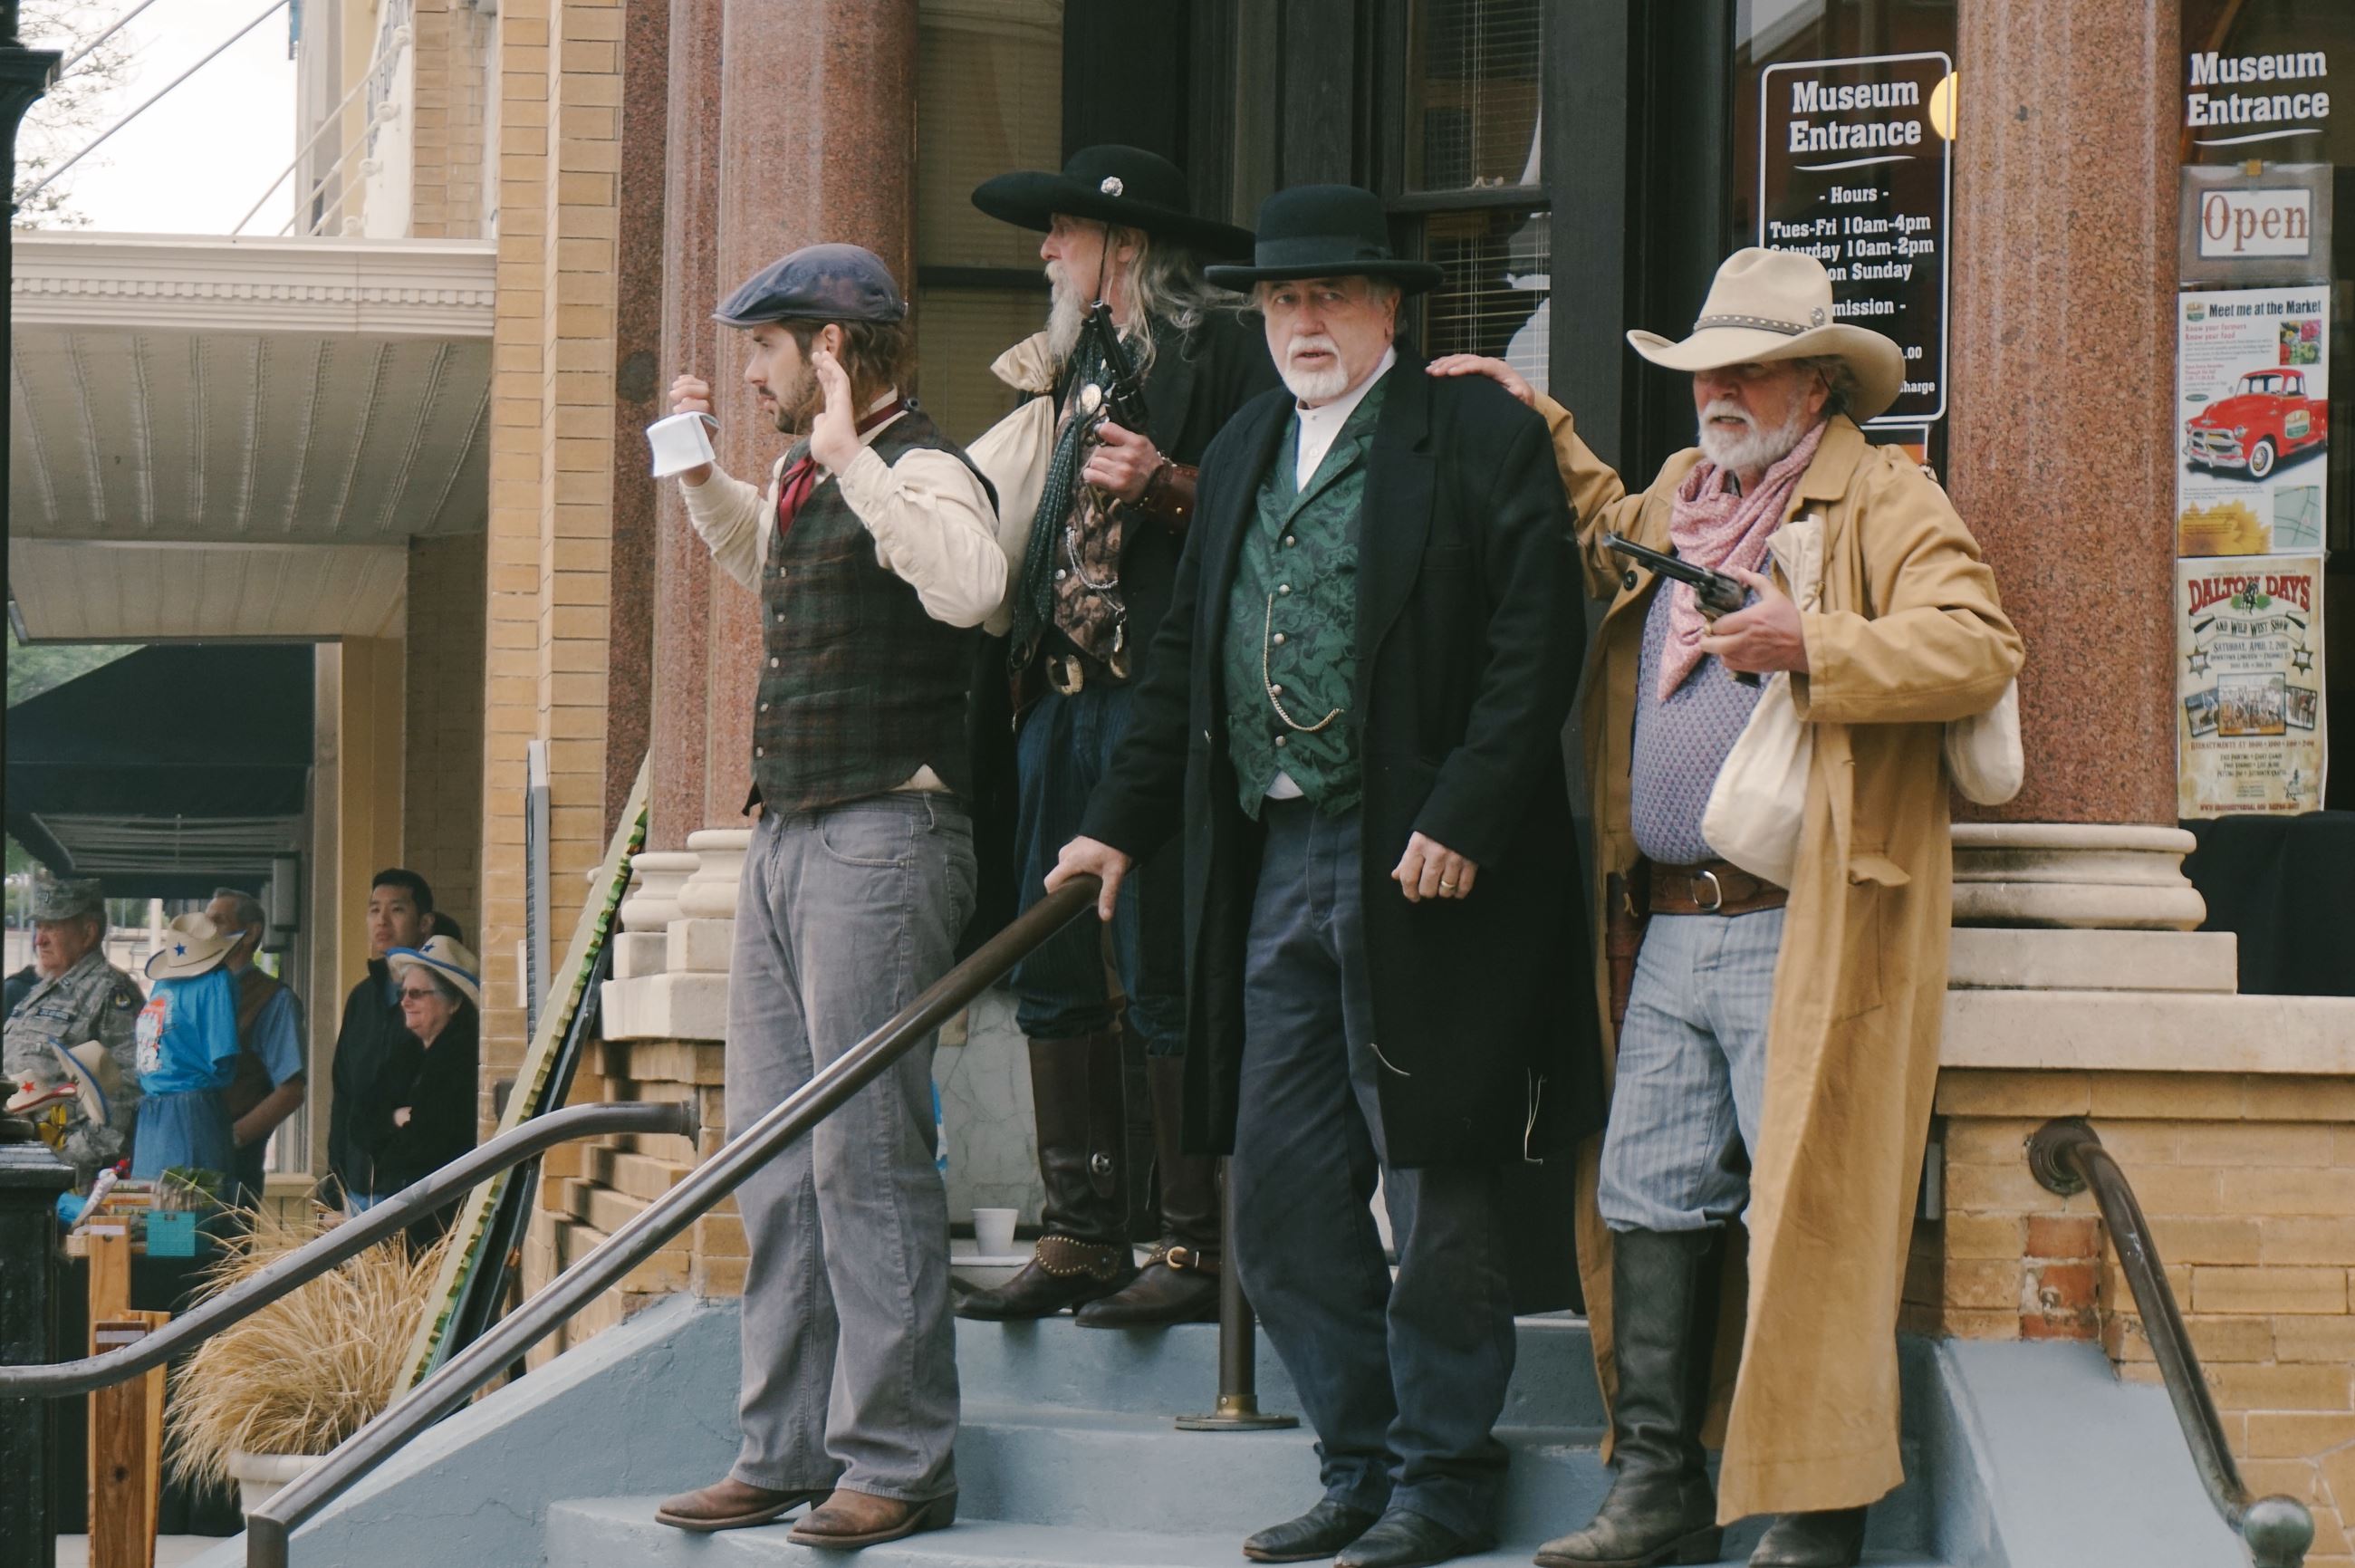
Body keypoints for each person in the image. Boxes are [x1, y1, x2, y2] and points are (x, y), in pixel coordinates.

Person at [1433, 246, 2023, 1568]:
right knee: (1645, 1191)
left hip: (1798, 917)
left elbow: (1979, 642)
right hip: (1665, 925)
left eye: (1750, 368)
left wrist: (1811, 642)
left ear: (1815, 382)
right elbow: (1609, 530)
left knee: (1804, 1206)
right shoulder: (1688, 494)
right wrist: (1542, 420)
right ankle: (1656, 1488)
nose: (1722, 390)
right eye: (1708, 369)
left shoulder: (1880, 493)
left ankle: (1818, 1508)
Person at [1047, 184, 1600, 1568]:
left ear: (1389, 309)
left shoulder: (1477, 431)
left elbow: (1537, 639)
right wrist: (1115, 822)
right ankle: (1356, 1461)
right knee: (1281, 1201)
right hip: (1276, 858)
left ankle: (1442, 1478)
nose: (1304, 321)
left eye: (1332, 296)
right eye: (1285, 300)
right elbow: (1182, 662)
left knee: (1438, 1190)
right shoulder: (1237, 448)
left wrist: (1467, 808)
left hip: (1426, 866)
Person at [653, 243, 1004, 1548]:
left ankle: (901, 1459)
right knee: (775, 1153)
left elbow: (974, 589)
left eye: (767, 349)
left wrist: (854, 456)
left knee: (862, 1151)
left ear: (834, 350)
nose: (751, 372)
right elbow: (779, 566)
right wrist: (700, 478)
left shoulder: (918, 466)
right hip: (794, 835)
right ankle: (784, 1447)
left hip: (890, 829)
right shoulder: (811, 477)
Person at [956, 145, 1279, 1327]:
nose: (1044, 250)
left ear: (1124, 246)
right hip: (1057, 699)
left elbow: (1266, 516)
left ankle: (1193, 1247)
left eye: (1062, 234)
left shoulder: (1229, 353)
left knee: (1160, 968)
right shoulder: (1073, 365)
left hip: (1157, 703)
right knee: (1051, 967)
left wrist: (1165, 482)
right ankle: (1080, 1232)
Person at [2, 876, 144, 1186]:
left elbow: (127, 1089)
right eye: (39, 927)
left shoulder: (112, 992)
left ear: (88, 933)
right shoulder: (46, 988)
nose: (39, 940)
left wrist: (69, 1158)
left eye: (51, 928)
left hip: (67, 1176)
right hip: (26, 1162)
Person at [352, 936, 481, 1246]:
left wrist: (386, 1129)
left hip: (440, 1222)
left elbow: (428, 1144)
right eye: (403, 993)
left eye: (417, 994)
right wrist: (396, 1119)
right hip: (402, 1212)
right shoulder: (406, 1054)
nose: (405, 1002)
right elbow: (358, 1122)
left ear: (453, 1002)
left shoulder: (462, 1060)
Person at [326, 870, 432, 1213]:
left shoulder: (438, 997)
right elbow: (344, 1094)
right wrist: (334, 1181)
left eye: (397, 909)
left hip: (415, 1185)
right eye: (374, 910)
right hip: (356, 1184)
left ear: (424, 923)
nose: (382, 920)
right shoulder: (362, 998)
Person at [206, 888, 307, 1206]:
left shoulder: (272, 1000)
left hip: (234, 1166)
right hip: (183, 1152)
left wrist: (232, 1138)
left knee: (225, 1253)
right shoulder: (196, 991)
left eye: (218, 921)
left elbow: (290, 1091)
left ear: (250, 933)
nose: (207, 931)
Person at [130, 912, 244, 1188]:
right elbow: (222, 1057)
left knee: (171, 1211)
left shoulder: (166, 985)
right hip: (183, 1110)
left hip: (169, 1107)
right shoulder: (215, 982)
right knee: (180, 1212)